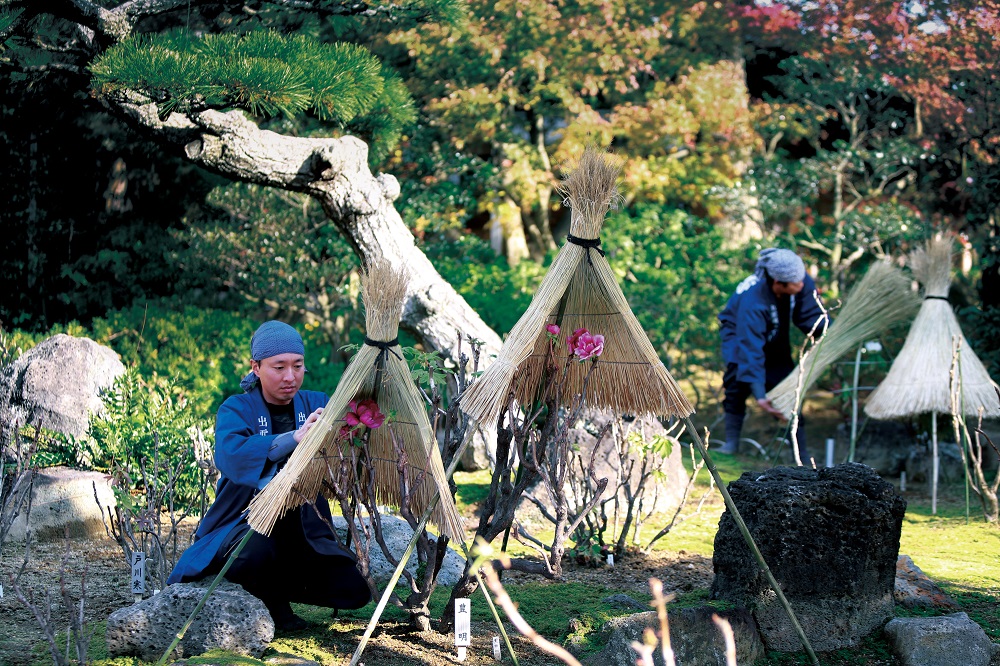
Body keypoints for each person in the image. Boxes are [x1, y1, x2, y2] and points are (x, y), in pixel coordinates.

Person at [168, 320, 371, 630]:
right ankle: (274, 606)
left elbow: (350, 447)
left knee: (354, 591)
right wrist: (295, 438)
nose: (290, 377)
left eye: (297, 366)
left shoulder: (316, 403)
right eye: (279, 367)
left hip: (303, 528)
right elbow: (231, 456)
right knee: (255, 551)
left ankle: (276, 586)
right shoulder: (236, 408)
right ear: (256, 367)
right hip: (242, 526)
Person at [717, 248, 828, 459]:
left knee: (787, 387)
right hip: (740, 335)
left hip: (776, 335)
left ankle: (801, 455)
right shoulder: (753, 300)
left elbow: (809, 315)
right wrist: (760, 394)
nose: (802, 285)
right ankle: (731, 444)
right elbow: (750, 350)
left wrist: (827, 329)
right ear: (777, 282)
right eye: (796, 284)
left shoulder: (798, 279)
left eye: (802, 279)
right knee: (737, 381)